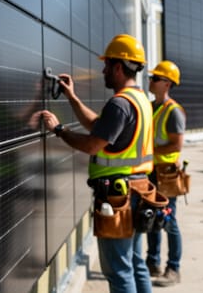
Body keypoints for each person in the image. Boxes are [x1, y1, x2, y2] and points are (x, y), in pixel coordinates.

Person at [33, 34, 155, 293]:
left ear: (119, 67)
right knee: (134, 263)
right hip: (139, 190)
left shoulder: (120, 104)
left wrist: (59, 129)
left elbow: (92, 144)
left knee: (118, 271)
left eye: (107, 66)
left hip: (119, 196)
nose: (103, 71)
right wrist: (72, 97)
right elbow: (99, 127)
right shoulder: (140, 100)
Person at [144, 60, 185, 287]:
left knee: (169, 221)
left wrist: (149, 151)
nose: (151, 81)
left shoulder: (174, 112)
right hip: (151, 172)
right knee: (151, 218)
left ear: (167, 84)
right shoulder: (151, 107)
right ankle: (152, 262)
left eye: (155, 78)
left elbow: (176, 146)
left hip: (166, 174)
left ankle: (174, 268)